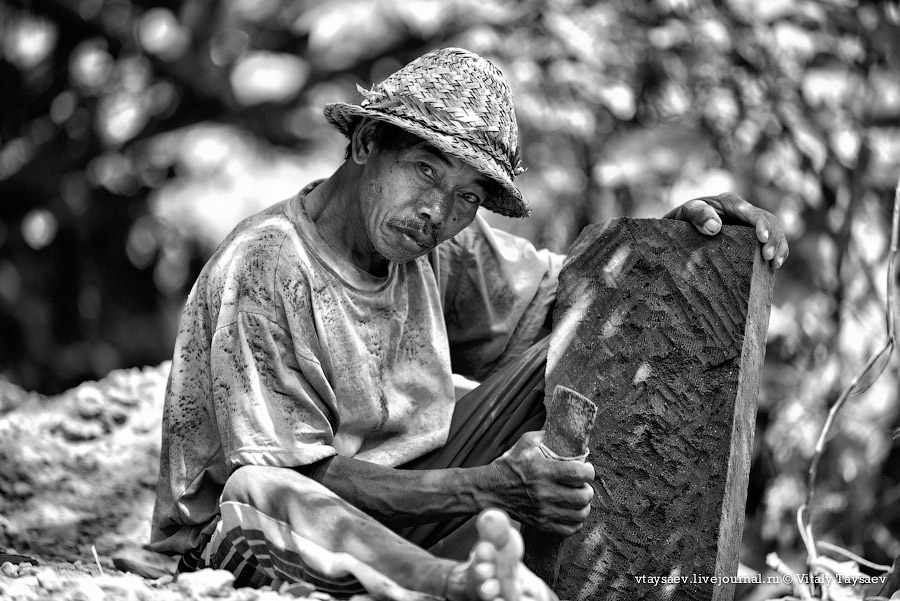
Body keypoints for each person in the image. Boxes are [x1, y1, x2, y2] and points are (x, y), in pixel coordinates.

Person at [149, 47, 789, 601]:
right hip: (270, 528)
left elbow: (581, 304)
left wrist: (662, 250)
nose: (437, 209)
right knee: (261, 489)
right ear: (367, 144)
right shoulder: (267, 265)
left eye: (468, 196)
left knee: (593, 337)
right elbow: (306, 476)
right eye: (426, 169)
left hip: (415, 508)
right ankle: (458, 588)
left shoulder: (436, 239)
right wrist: (493, 490)